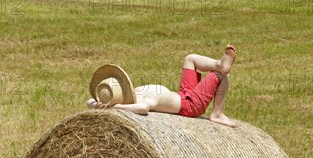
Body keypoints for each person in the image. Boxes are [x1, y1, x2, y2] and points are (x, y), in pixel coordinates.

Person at [87, 45, 238, 128]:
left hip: (183, 93)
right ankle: (217, 114)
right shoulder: (140, 102)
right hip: (190, 106)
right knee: (220, 76)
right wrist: (113, 108)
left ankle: (219, 64)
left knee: (190, 59)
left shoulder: (135, 93)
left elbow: (89, 101)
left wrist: (99, 104)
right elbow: (143, 109)